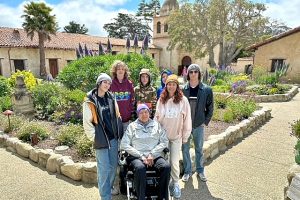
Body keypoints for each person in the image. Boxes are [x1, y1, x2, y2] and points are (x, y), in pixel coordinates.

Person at [82, 73, 122, 200]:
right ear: (99, 83)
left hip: (113, 139)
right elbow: (87, 123)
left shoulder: (111, 97)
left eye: (109, 83)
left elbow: (117, 115)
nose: (107, 85)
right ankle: (105, 196)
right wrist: (95, 138)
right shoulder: (90, 100)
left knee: (113, 166)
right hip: (101, 140)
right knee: (104, 170)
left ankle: (108, 188)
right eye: (105, 82)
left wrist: (118, 133)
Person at [120, 104, 171, 200]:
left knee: (166, 167)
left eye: (146, 112)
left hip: (154, 156)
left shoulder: (156, 125)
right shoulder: (132, 126)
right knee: (140, 168)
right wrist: (141, 156)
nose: (144, 114)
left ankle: (162, 197)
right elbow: (124, 144)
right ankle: (141, 197)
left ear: (149, 113)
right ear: (138, 114)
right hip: (137, 157)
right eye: (141, 112)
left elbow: (164, 142)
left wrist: (152, 154)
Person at [155, 74, 192, 199]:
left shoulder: (183, 101)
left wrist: (185, 136)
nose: (171, 86)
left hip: (176, 137)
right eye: (169, 84)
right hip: (163, 138)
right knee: (163, 162)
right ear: (166, 86)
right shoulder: (162, 100)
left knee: (174, 162)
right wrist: (156, 136)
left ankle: (175, 184)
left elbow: (187, 120)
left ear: (177, 86)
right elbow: (157, 118)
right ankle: (163, 184)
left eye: (174, 84)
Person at [181, 64, 214, 182]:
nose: (193, 74)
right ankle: (187, 171)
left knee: (199, 149)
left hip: (198, 124)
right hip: (185, 125)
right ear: (188, 74)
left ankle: (200, 171)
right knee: (185, 149)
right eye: (191, 72)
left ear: (199, 74)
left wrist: (205, 121)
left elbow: (210, 107)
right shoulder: (183, 90)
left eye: (195, 72)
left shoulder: (206, 90)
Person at [110, 60, 135, 132]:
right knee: (117, 139)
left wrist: (130, 113)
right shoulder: (111, 84)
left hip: (126, 118)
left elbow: (132, 100)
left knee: (126, 139)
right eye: (118, 69)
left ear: (125, 71)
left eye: (122, 69)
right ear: (115, 71)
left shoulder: (129, 84)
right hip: (115, 118)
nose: (120, 71)